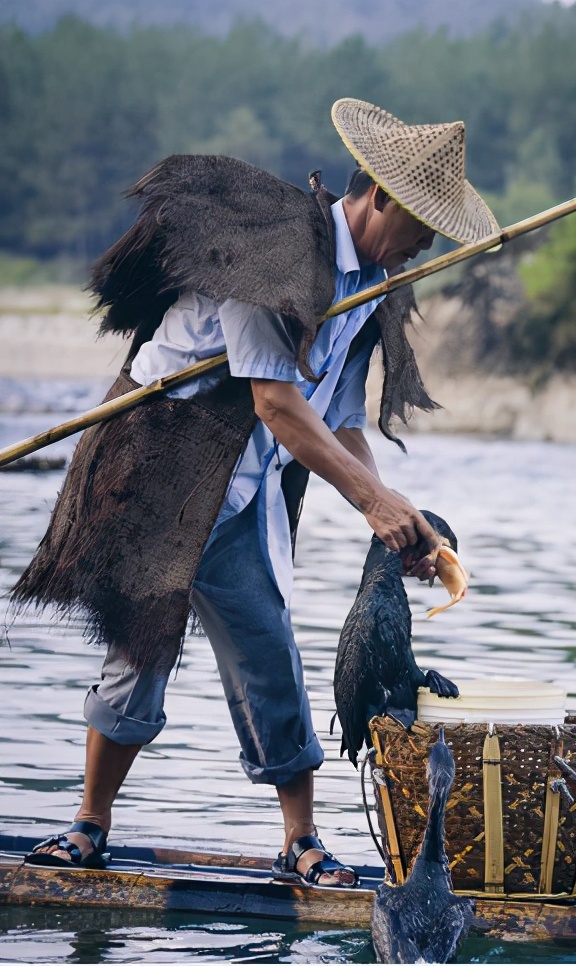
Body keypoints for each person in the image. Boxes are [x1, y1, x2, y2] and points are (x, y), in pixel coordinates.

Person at [12, 98, 498, 886]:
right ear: (380, 197)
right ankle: (88, 827)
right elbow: (275, 401)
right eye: (423, 222)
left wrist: (394, 514)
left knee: (270, 653)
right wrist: (373, 505)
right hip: (162, 472)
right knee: (141, 655)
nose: (428, 242)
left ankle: (299, 843)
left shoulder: (370, 286)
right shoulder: (270, 253)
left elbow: (336, 421)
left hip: (241, 489)